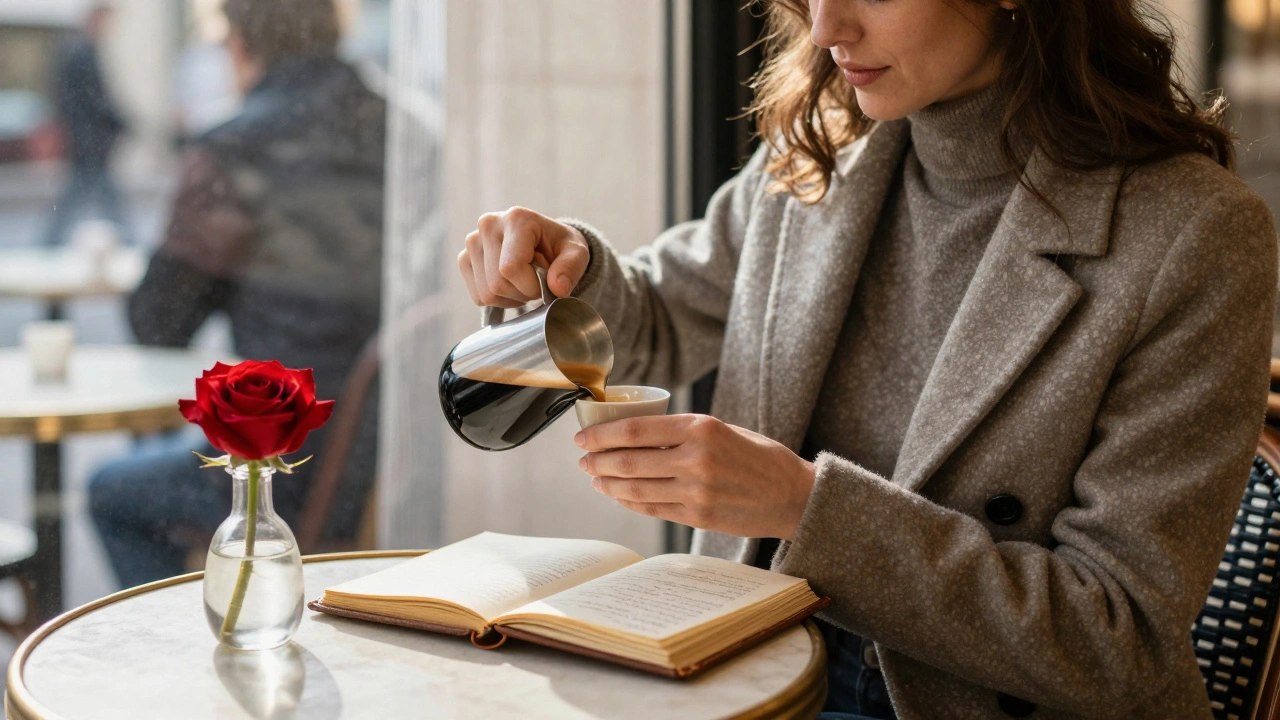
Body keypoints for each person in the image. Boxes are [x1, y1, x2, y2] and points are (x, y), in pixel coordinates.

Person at [457, 0, 1279, 717]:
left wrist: (805, 507)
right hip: (740, 669)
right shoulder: (819, 155)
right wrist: (567, 266)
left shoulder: (1194, 235)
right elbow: (661, 318)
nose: (825, 27)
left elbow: (1116, 639)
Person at [89, 0, 385, 589]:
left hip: (277, 472)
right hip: (381, 466)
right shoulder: (399, 127)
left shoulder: (233, 148)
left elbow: (157, 322)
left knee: (111, 491)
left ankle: (166, 657)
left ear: (240, 43)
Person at [42, 2, 132, 246]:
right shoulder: (83, 53)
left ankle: (49, 243)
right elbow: (95, 100)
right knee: (93, 194)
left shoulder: (77, 50)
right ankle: (49, 244)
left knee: (91, 195)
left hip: (86, 139)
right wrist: (121, 122)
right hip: (89, 141)